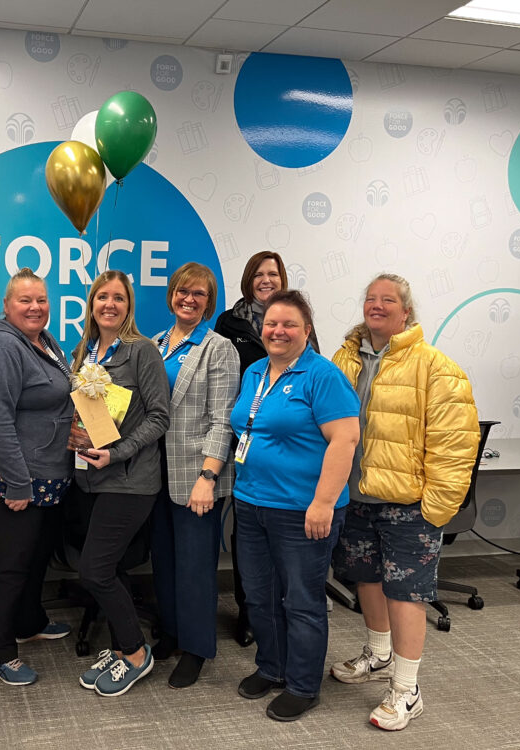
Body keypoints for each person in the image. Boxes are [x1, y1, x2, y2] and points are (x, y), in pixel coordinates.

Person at [329, 273, 479, 731]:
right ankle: (377, 655)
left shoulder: (436, 367)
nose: (376, 305)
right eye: (370, 298)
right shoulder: (343, 359)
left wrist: (434, 508)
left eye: (387, 300)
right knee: (366, 581)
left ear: (405, 312)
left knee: (407, 592)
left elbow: (455, 446)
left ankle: (406, 688)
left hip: (408, 506)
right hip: (354, 497)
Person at [230, 289, 360, 722]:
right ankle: (273, 666)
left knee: (301, 601)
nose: (278, 331)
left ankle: (304, 685)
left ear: (306, 330)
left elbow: (345, 440)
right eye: (271, 323)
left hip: (303, 511)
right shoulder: (254, 372)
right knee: (259, 595)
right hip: (251, 503)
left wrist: (323, 502)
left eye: (289, 324)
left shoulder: (322, 375)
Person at [0, 268, 74, 686]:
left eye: (41, 300)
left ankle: (28, 621)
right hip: (7, 476)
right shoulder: (0, 348)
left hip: (44, 473)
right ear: (6, 306)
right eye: (25, 300)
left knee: (35, 554)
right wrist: (17, 482)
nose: (35, 307)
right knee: (8, 563)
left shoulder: (45, 340)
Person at [70, 270, 171, 697]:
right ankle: (119, 646)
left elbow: (159, 417)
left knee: (93, 570)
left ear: (129, 306)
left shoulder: (141, 351)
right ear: (91, 304)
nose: (109, 304)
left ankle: (134, 652)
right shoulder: (84, 351)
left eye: (118, 298)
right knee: (108, 567)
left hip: (128, 481)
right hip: (89, 479)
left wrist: (118, 451)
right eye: (101, 297)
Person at [214, 251, 319, 646]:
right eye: (258, 274)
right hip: (245, 441)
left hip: (289, 445)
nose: (266, 280)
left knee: (285, 540)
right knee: (249, 535)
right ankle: (249, 610)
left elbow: (312, 371)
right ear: (248, 280)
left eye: (273, 274)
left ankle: (288, 612)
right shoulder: (229, 322)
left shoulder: (299, 324)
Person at [149, 263, 239, 688]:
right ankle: (171, 632)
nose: (188, 299)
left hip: (196, 475)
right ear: (171, 294)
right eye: (182, 291)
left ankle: (198, 647)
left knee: (195, 567)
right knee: (164, 562)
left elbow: (224, 421)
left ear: (209, 301)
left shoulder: (218, 348)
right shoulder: (154, 343)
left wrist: (209, 475)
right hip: (153, 473)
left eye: (198, 294)